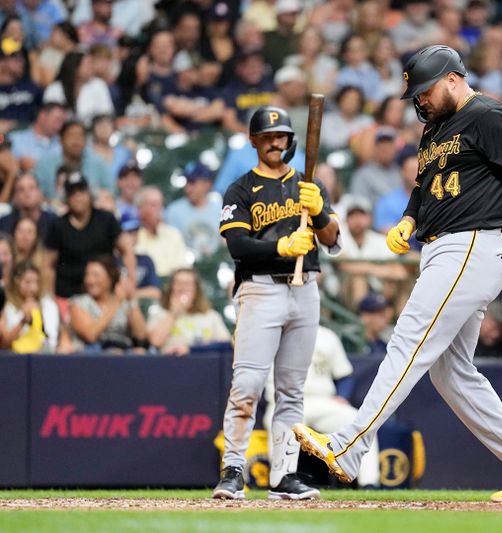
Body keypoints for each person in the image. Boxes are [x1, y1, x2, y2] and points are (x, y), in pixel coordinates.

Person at [293, 45, 502, 503]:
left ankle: (348, 446)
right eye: (415, 95)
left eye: (425, 91)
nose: (420, 101)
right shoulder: (434, 130)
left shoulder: (487, 115)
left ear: (454, 79)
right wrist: (408, 219)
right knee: (450, 372)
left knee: (408, 342)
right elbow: (424, 186)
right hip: (444, 248)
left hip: (471, 244)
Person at [212, 106, 340, 501]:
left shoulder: (308, 184)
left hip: (306, 291)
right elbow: (237, 245)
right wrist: (281, 247)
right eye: (267, 137)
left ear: (289, 140)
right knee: (248, 384)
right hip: (261, 289)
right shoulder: (240, 188)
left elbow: (334, 240)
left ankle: (284, 474)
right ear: (254, 141)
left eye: (280, 136)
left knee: (291, 390)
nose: (275, 142)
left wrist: (318, 212)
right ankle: (234, 468)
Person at [264, 326, 381, 488]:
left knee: (359, 421)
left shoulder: (326, 335)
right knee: (279, 423)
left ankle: (370, 483)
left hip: (322, 400)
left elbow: (344, 374)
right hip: (284, 402)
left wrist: (342, 396)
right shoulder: (271, 334)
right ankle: (281, 480)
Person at [43, 172, 136, 302]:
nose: (77, 197)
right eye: (72, 193)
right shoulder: (57, 225)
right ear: (67, 198)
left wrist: (130, 281)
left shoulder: (106, 219)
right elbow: (48, 265)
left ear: (89, 193)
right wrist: (50, 298)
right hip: (68, 296)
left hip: (106, 295)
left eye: (81, 191)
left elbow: (126, 249)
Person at [67, 254, 146, 352]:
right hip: (93, 353)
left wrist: (131, 299)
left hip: (123, 350)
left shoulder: (123, 303)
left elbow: (140, 334)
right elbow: (90, 335)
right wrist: (115, 303)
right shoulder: (79, 303)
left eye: (96, 275)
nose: (90, 280)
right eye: (87, 275)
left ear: (110, 278)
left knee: (140, 352)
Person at [146, 268, 230, 356]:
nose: (182, 288)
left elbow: (225, 344)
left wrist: (192, 350)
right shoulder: (159, 313)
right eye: (178, 283)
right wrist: (174, 313)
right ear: (171, 288)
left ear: (196, 289)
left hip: (203, 365)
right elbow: (155, 342)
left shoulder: (211, 316)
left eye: (187, 284)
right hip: (170, 365)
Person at [164, 161, 223, 259]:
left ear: (207, 184)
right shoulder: (173, 211)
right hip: (184, 266)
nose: (188, 188)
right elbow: (169, 247)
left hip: (216, 267)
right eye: (187, 182)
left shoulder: (221, 210)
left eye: (192, 183)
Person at [0, 262, 59, 353]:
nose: (33, 288)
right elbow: (5, 343)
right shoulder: (8, 307)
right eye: (27, 282)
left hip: (43, 354)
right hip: (14, 356)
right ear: (16, 282)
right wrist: (23, 320)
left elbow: (52, 340)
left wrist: (39, 315)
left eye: (36, 282)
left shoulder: (48, 304)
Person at [135, 186, 190, 278]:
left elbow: (182, 267)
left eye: (160, 205)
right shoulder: (133, 236)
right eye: (153, 205)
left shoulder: (173, 234)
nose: (158, 210)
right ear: (140, 209)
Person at [357, 293, 392, 359]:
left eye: (384, 314)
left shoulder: (384, 345)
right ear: (365, 316)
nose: (385, 318)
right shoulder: (350, 341)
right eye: (380, 314)